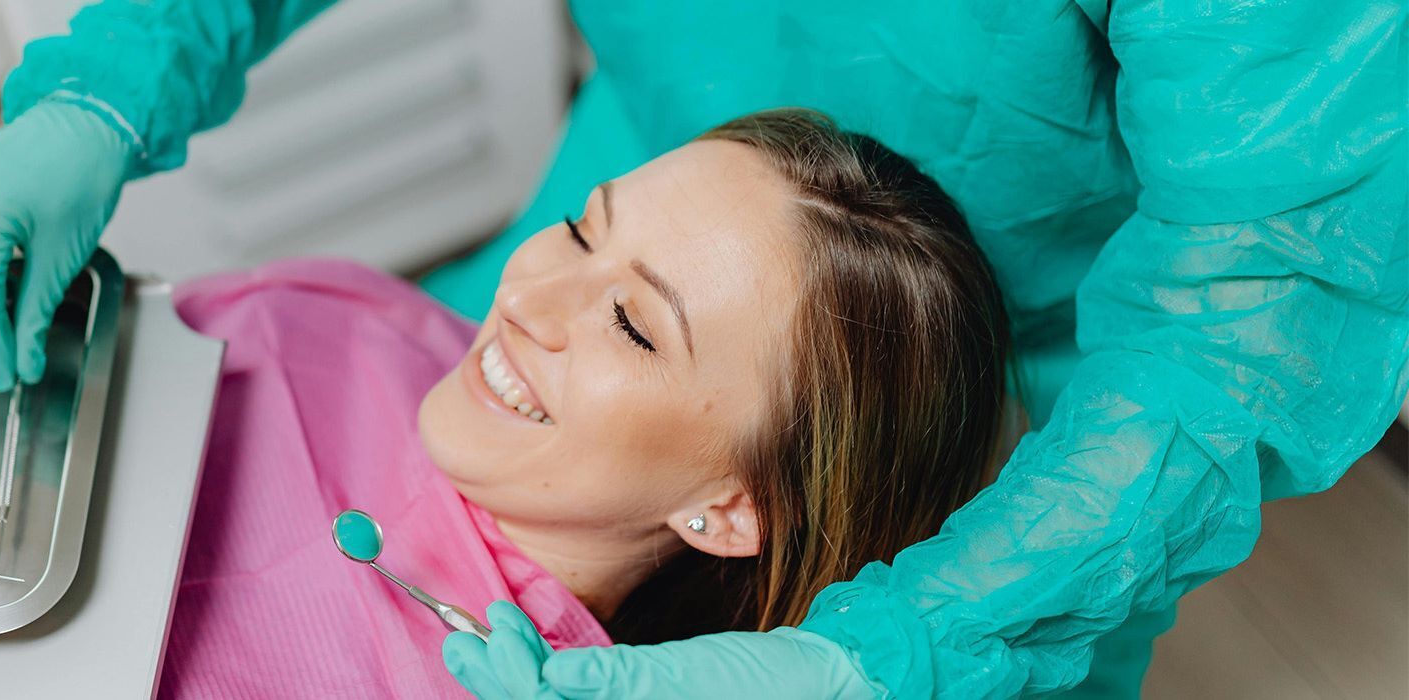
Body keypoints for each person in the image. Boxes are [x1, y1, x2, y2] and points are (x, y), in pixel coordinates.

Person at [0, 1, 1407, 696]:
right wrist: (105, 92)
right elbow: (603, 281)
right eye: (577, 258)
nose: (532, 304)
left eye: (611, 304)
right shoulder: (390, 315)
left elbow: (1260, 310)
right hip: (677, 184)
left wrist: (889, 653)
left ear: (729, 511)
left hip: (1036, 410)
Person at [155, 109, 1007, 697]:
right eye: (580, 229)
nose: (529, 294)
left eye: (633, 327)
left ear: (732, 507)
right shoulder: (340, 311)